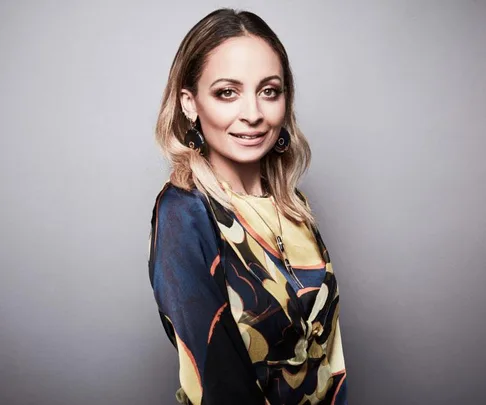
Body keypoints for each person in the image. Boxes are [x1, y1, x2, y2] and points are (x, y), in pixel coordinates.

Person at [148, 8, 348, 405]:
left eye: (269, 91)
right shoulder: (185, 215)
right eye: (227, 92)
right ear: (190, 103)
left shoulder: (293, 206)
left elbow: (331, 363)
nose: (254, 114)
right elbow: (219, 386)